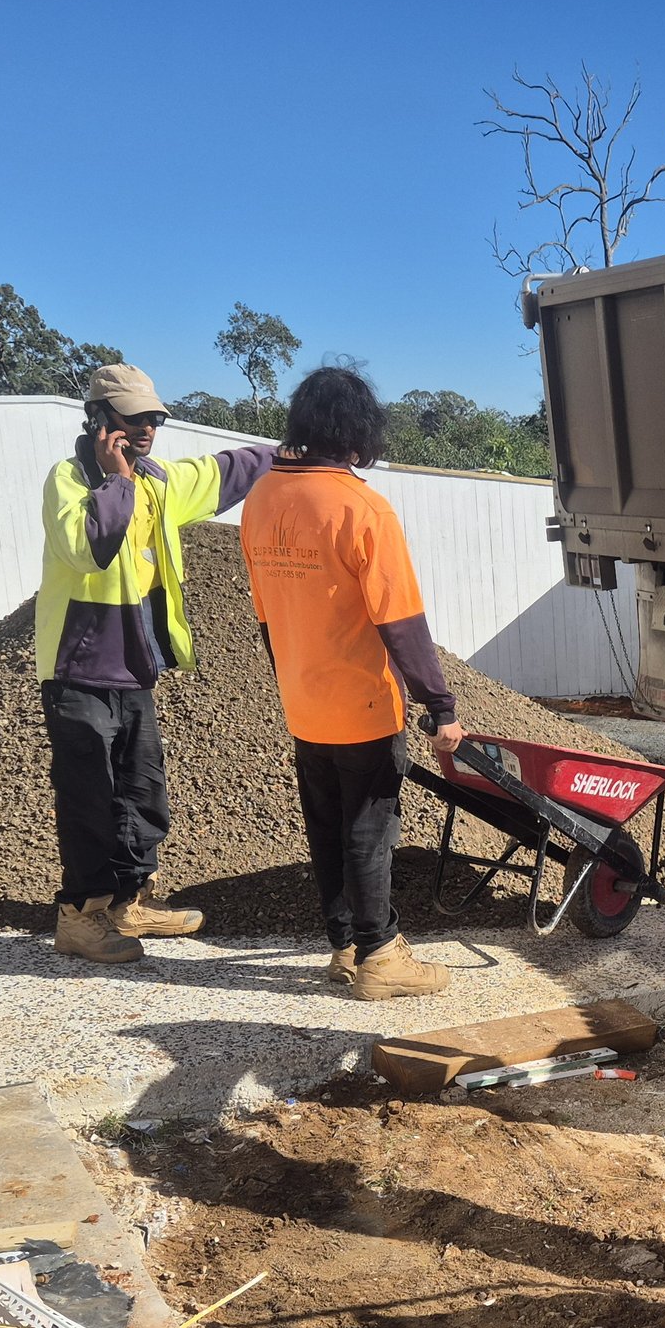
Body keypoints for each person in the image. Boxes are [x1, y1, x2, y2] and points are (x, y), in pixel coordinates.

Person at [35, 363, 275, 963]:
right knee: (90, 796)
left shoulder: (158, 482)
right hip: (79, 667)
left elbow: (222, 472)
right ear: (100, 421)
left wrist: (291, 449)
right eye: (135, 418)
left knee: (141, 794)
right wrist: (116, 481)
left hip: (135, 666)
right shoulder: (68, 480)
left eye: (155, 418)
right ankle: (80, 917)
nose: (148, 428)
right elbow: (88, 547)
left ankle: (127, 903)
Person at [239, 366, 461, 999]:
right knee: (370, 828)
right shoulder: (362, 507)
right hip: (362, 701)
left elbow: (263, 614)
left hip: (304, 700)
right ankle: (381, 956)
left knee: (328, 825)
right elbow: (402, 622)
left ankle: (342, 947)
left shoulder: (260, 500)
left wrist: (293, 681)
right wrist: (440, 706)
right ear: (358, 433)